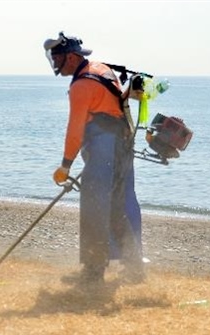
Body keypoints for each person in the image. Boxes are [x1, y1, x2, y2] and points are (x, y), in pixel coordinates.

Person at [43, 32, 145, 285]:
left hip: (105, 150)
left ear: (72, 56)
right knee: (116, 210)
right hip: (122, 147)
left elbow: (75, 128)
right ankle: (134, 268)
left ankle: (93, 272)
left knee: (95, 209)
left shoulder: (81, 86)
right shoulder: (101, 69)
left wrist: (66, 165)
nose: (55, 63)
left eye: (57, 58)